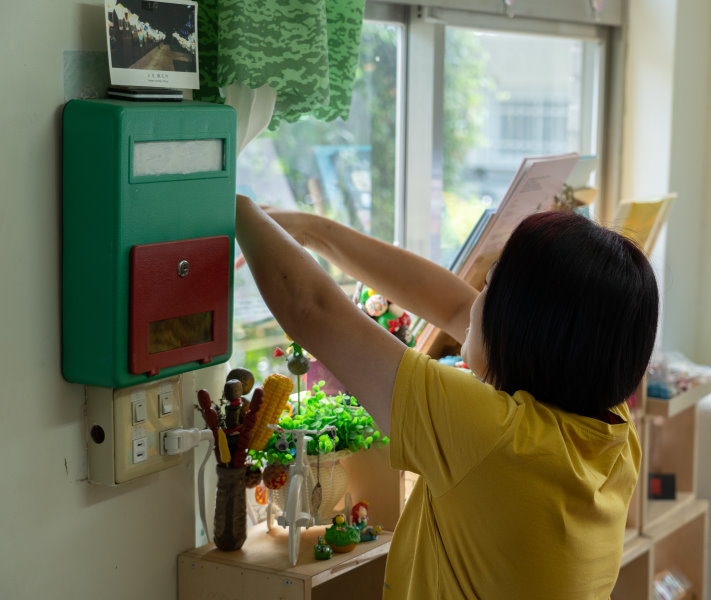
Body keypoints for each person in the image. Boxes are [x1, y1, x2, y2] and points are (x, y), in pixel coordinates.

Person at [235, 194, 659, 599]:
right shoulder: (610, 424)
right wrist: (310, 230)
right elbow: (454, 307)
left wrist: (231, 207)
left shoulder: (497, 437)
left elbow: (309, 307)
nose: (474, 301)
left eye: (489, 287)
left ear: (520, 329)